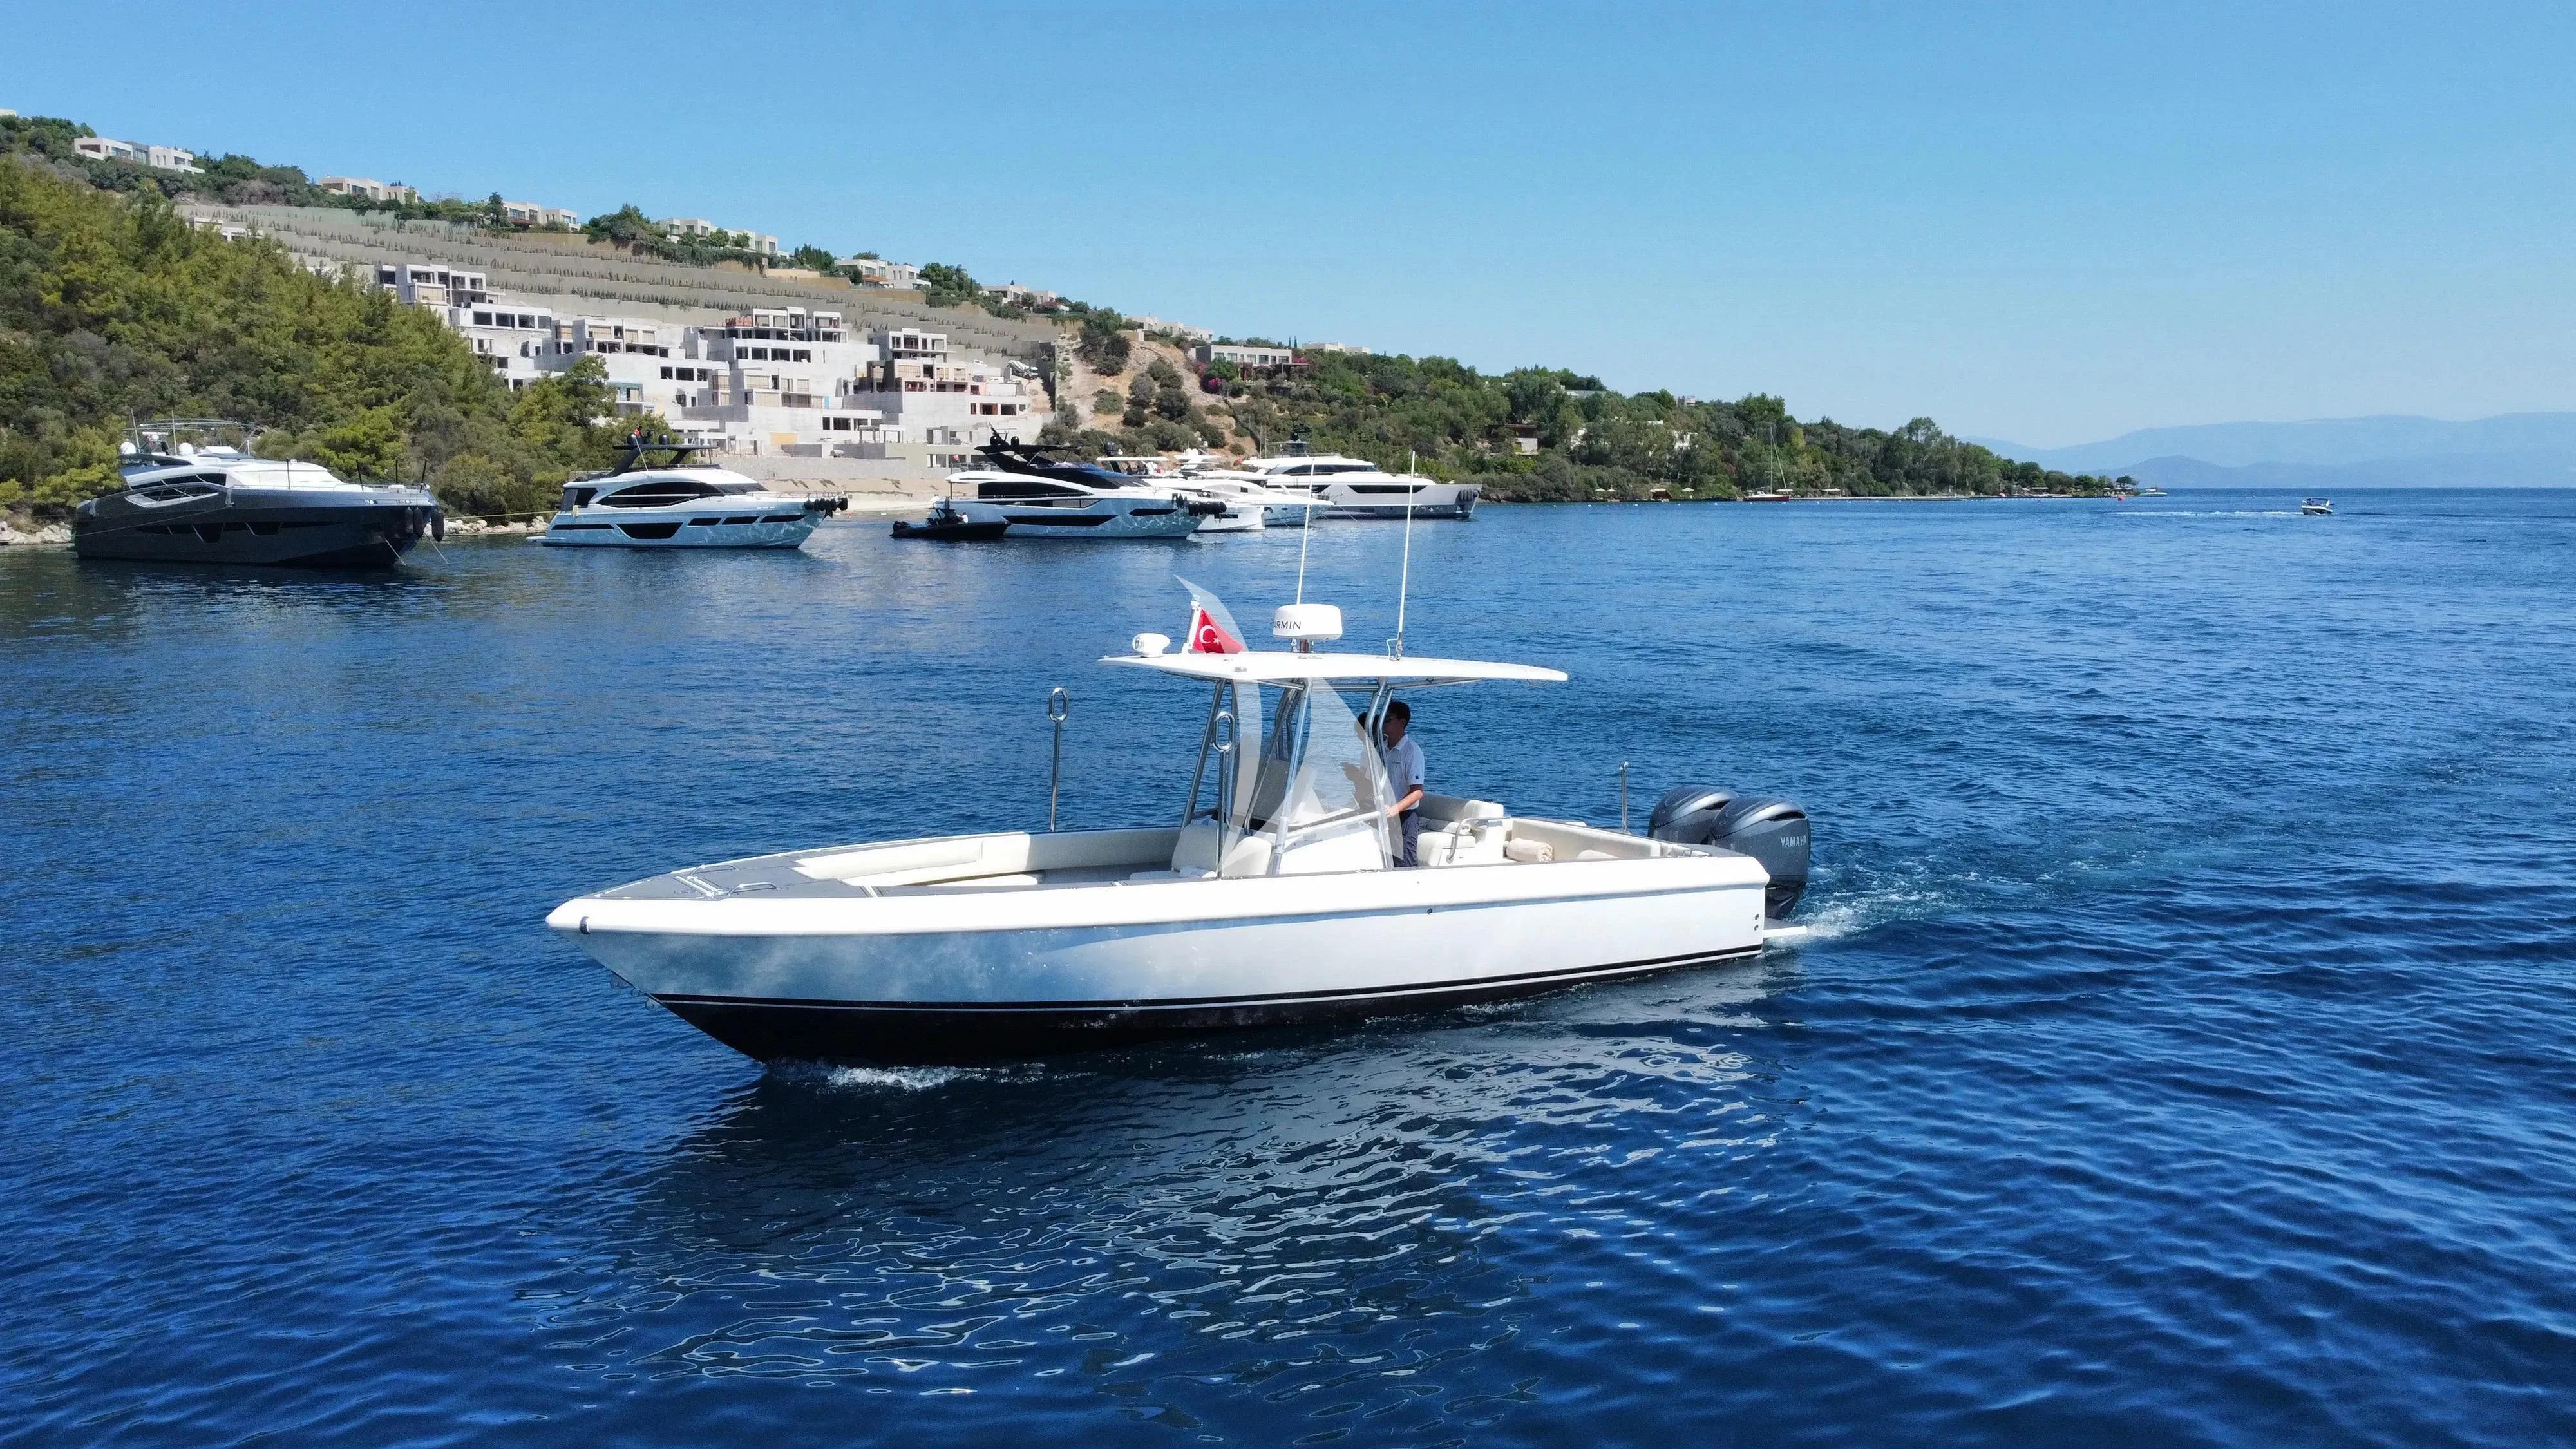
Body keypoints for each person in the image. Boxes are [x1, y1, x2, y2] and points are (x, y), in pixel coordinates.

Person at [1379, 700, 1425, 867]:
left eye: (1388, 719)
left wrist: (1394, 810)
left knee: (1404, 865)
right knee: (1383, 864)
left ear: (1402, 722)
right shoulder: (1382, 748)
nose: (1383, 722)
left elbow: (1418, 791)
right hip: (1384, 816)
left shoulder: (1412, 752)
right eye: (1382, 718)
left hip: (1405, 817)